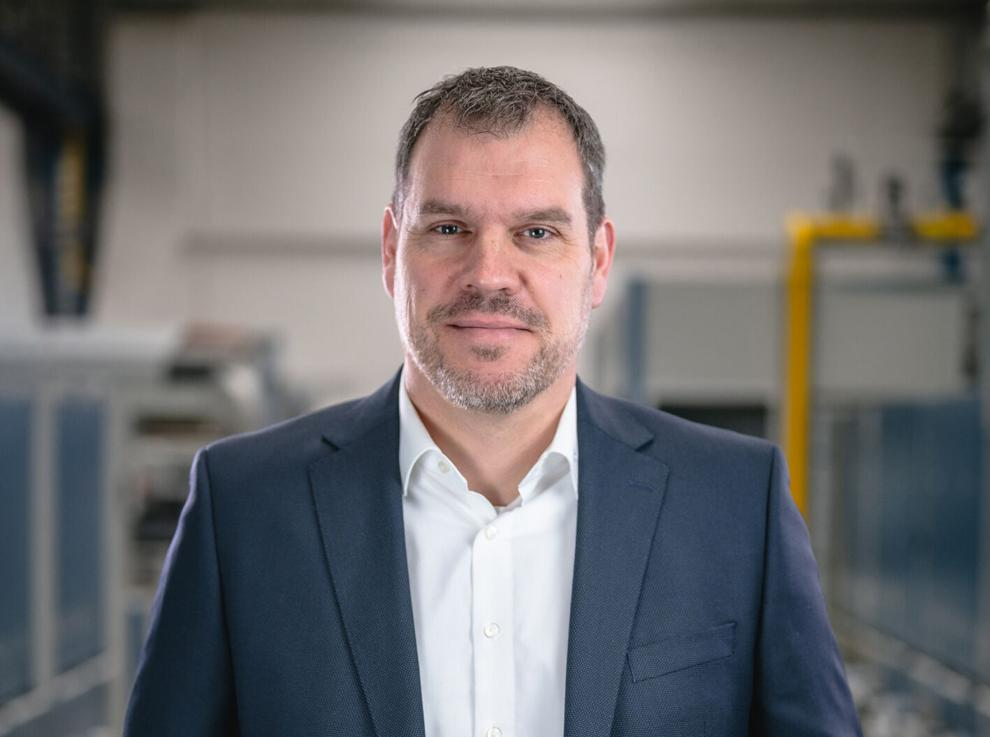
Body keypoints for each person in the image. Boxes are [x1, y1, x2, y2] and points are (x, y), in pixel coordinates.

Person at [124, 66, 861, 737]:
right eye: (449, 229)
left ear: (597, 261)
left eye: (536, 232)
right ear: (391, 251)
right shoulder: (244, 507)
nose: (489, 274)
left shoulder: (735, 505)